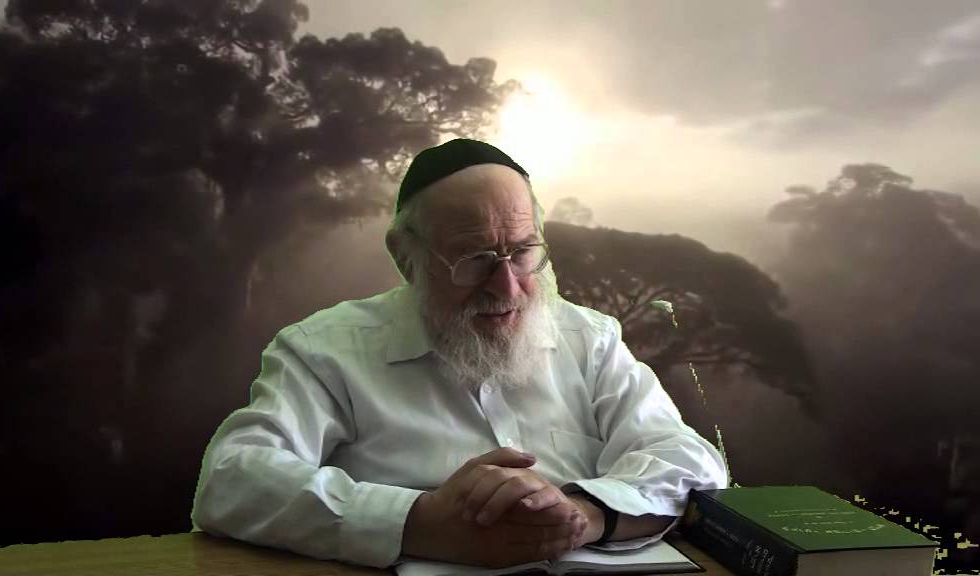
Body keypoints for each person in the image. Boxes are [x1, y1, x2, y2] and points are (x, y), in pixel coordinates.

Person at [190, 138, 728, 568]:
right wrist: (421, 523)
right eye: (474, 258)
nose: (507, 287)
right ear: (406, 257)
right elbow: (233, 479)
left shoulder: (591, 339)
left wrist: (583, 514)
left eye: (522, 252)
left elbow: (692, 462)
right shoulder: (324, 350)